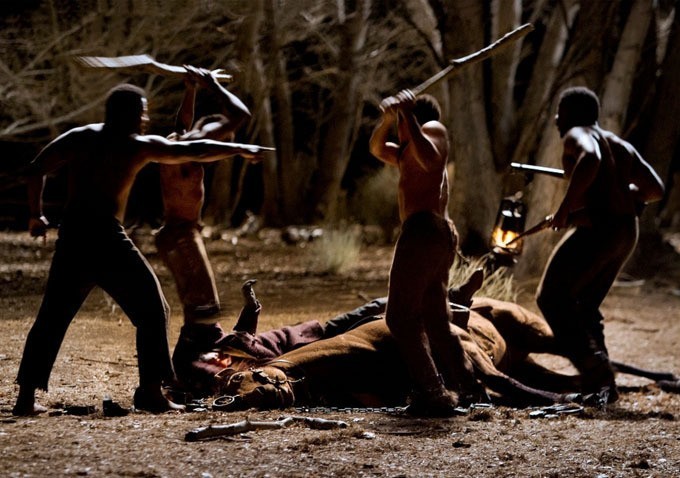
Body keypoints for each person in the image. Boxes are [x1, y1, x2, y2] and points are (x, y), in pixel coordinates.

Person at [12, 81, 266, 416]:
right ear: (130, 115)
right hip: (106, 237)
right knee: (153, 310)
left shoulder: (80, 137)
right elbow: (196, 150)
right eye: (143, 112)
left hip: (73, 236)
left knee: (52, 317)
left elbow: (35, 169)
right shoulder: (135, 145)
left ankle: (25, 399)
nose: (146, 119)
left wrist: (36, 214)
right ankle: (150, 392)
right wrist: (240, 149)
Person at [536, 86, 664, 403]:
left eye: (559, 113)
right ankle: (604, 387)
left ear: (569, 115)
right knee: (585, 305)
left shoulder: (577, 134)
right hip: (625, 231)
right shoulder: (619, 144)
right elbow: (655, 188)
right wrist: (627, 195)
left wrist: (565, 209)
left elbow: (590, 159)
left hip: (600, 231)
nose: (556, 120)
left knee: (551, 297)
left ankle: (595, 371)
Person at [368, 89, 479, 416]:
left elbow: (431, 159)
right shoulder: (407, 150)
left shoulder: (432, 131)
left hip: (424, 231)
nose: (399, 128)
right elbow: (376, 148)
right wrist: (388, 119)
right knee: (435, 321)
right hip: (429, 233)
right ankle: (469, 389)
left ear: (414, 119)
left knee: (399, 317)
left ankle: (433, 392)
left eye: (401, 122)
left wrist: (408, 115)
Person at [152, 66, 254, 386]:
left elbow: (183, 125)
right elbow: (240, 115)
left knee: (199, 310)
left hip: (181, 234)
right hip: (179, 235)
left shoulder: (182, 144)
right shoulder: (184, 149)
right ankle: (188, 370)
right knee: (205, 309)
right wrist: (213, 85)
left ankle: (180, 372)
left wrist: (191, 88)